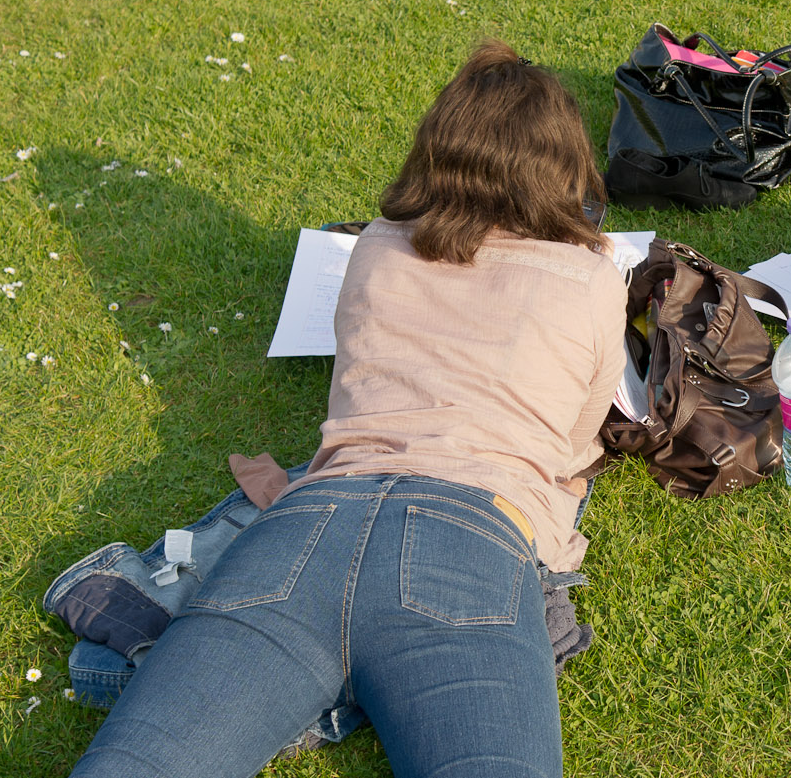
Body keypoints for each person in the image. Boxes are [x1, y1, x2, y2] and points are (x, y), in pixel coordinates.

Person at [73, 40, 625, 778]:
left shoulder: (376, 246)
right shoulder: (591, 278)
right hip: (470, 541)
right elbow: (578, 440)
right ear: (565, 166)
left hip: (304, 525)